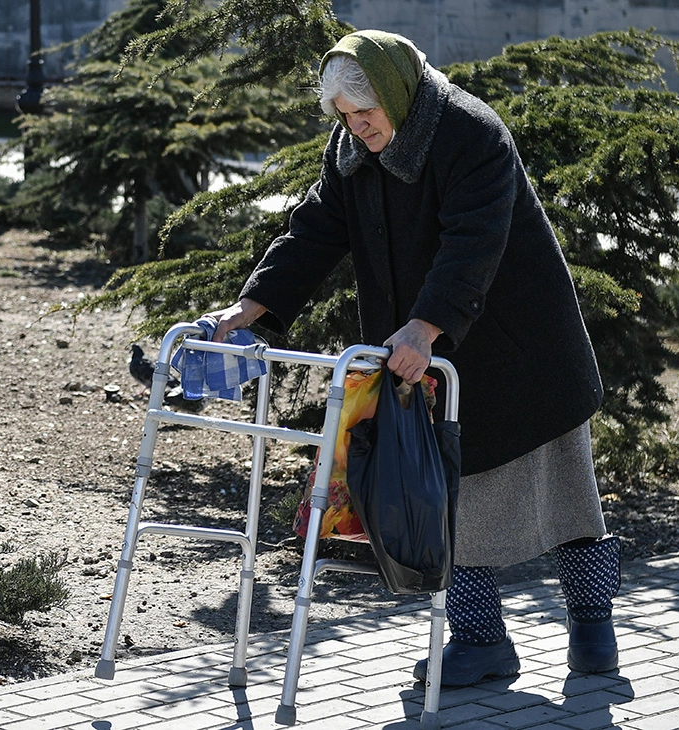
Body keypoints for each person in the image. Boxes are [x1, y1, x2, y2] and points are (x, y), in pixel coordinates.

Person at [204, 30, 621, 686]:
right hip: (434, 354)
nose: (354, 126)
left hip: (521, 345)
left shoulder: (469, 133)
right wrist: (249, 308)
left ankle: (594, 630)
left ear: (398, 94)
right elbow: (314, 229)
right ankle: (483, 643)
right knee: (451, 497)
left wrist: (425, 327)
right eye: (342, 116)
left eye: (363, 113)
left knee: (568, 494)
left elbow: (473, 242)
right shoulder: (353, 146)